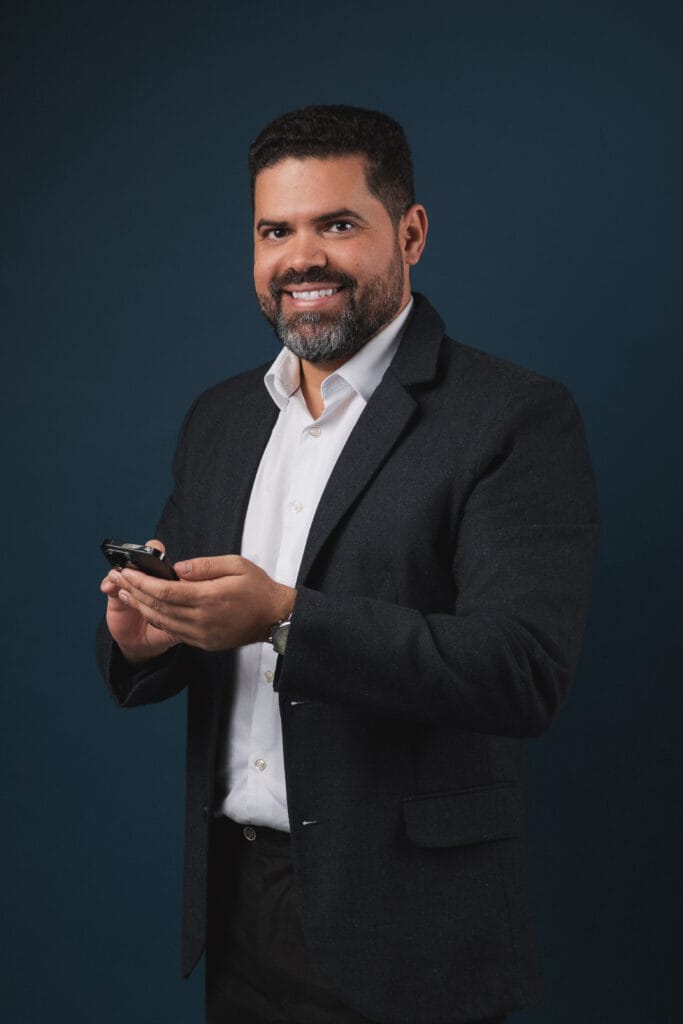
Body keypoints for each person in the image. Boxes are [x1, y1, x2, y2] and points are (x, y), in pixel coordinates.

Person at [97, 105, 598, 1024]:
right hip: (236, 910)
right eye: (274, 231)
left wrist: (286, 617)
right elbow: (190, 622)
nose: (301, 259)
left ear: (409, 234)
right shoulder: (220, 419)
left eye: (335, 224)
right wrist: (145, 632)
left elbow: (522, 672)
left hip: (410, 924)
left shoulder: (512, 416)